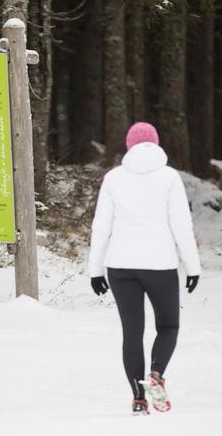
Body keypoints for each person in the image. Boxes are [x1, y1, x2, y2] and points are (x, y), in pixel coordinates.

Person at [88, 122, 201, 415]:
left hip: (120, 266)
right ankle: (156, 374)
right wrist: (193, 266)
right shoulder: (169, 178)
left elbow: (101, 227)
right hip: (159, 265)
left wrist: (95, 270)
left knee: (132, 333)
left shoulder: (113, 178)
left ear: (129, 146)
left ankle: (139, 398)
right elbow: (182, 226)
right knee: (168, 326)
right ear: (156, 144)